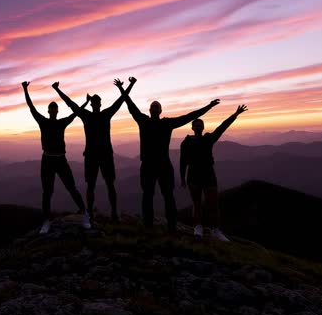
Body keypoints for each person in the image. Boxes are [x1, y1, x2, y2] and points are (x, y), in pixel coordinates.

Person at [114, 81, 220, 231]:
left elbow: (189, 116)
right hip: (149, 165)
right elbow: (130, 105)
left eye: (157, 106)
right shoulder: (143, 120)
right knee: (148, 195)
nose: (155, 108)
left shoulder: (166, 123)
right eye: (153, 106)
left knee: (167, 195)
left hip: (163, 165)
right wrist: (121, 88)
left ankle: (171, 226)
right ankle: (149, 226)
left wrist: (209, 106)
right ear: (150, 110)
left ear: (160, 110)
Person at [51, 77, 136, 222]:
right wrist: (57, 89)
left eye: (96, 103)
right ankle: (93, 213)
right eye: (94, 103)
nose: (96, 105)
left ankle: (109, 213)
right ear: (94, 104)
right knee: (95, 185)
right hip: (96, 155)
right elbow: (70, 103)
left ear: (97, 104)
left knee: (105, 184)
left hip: (97, 155)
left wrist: (129, 85)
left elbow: (121, 100)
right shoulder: (99, 115)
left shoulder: (93, 115)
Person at [21, 81, 90, 235]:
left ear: (57, 111)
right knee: (47, 192)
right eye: (51, 108)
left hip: (60, 160)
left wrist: (85, 102)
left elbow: (75, 113)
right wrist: (25, 89)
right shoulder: (43, 121)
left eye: (55, 108)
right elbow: (30, 106)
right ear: (49, 111)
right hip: (47, 160)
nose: (53, 110)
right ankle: (46, 221)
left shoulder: (61, 122)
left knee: (71, 187)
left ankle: (85, 215)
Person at [180, 104, 248, 240]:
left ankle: (215, 230)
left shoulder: (208, 139)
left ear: (203, 127)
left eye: (200, 125)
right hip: (193, 177)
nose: (198, 127)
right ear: (192, 128)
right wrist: (182, 178)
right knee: (197, 204)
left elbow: (222, 127)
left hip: (209, 176)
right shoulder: (186, 142)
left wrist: (235, 114)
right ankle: (198, 227)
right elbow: (183, 162)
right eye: (196, 125)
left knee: (213, 204)